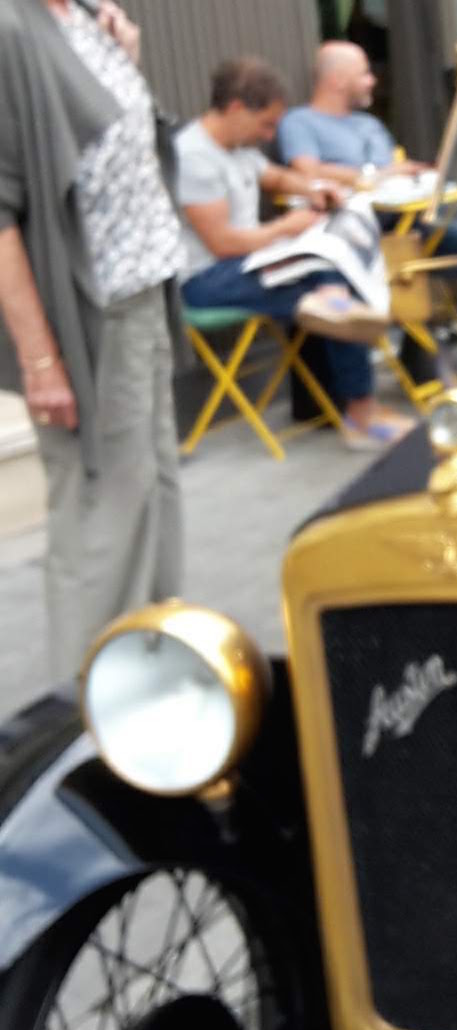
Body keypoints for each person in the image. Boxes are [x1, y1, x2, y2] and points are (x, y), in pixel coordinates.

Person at [0, 0, 186, 684]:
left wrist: (124, 58)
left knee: (154, 502)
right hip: (91, 323)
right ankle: (85, 718)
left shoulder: (84, 18)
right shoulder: (12, 28)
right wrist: (42, 360)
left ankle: (150, 680)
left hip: (142, 300)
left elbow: (120, 154)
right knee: (102, 524)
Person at [175, 58, 412, 452]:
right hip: (206, 280)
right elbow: (222, 244)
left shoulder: (236, 146)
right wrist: (287, 228)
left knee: (331, 274)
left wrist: (313, 189)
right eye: (265, 124)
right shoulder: (195, 158)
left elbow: (277, 177)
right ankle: (359, 397)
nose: (268, 134)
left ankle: (337, 314)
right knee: (330, 279)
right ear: (236, 109)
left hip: (248, 264)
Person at [277, 42, 457, 260]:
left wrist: (417, 171)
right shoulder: (299, 122)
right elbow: (308, 172)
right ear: (338, 80)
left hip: (408, 214)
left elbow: (394, 170)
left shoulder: (370, 123)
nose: (373, 81)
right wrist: (377, 176)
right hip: (353, 225)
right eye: (364, 74)